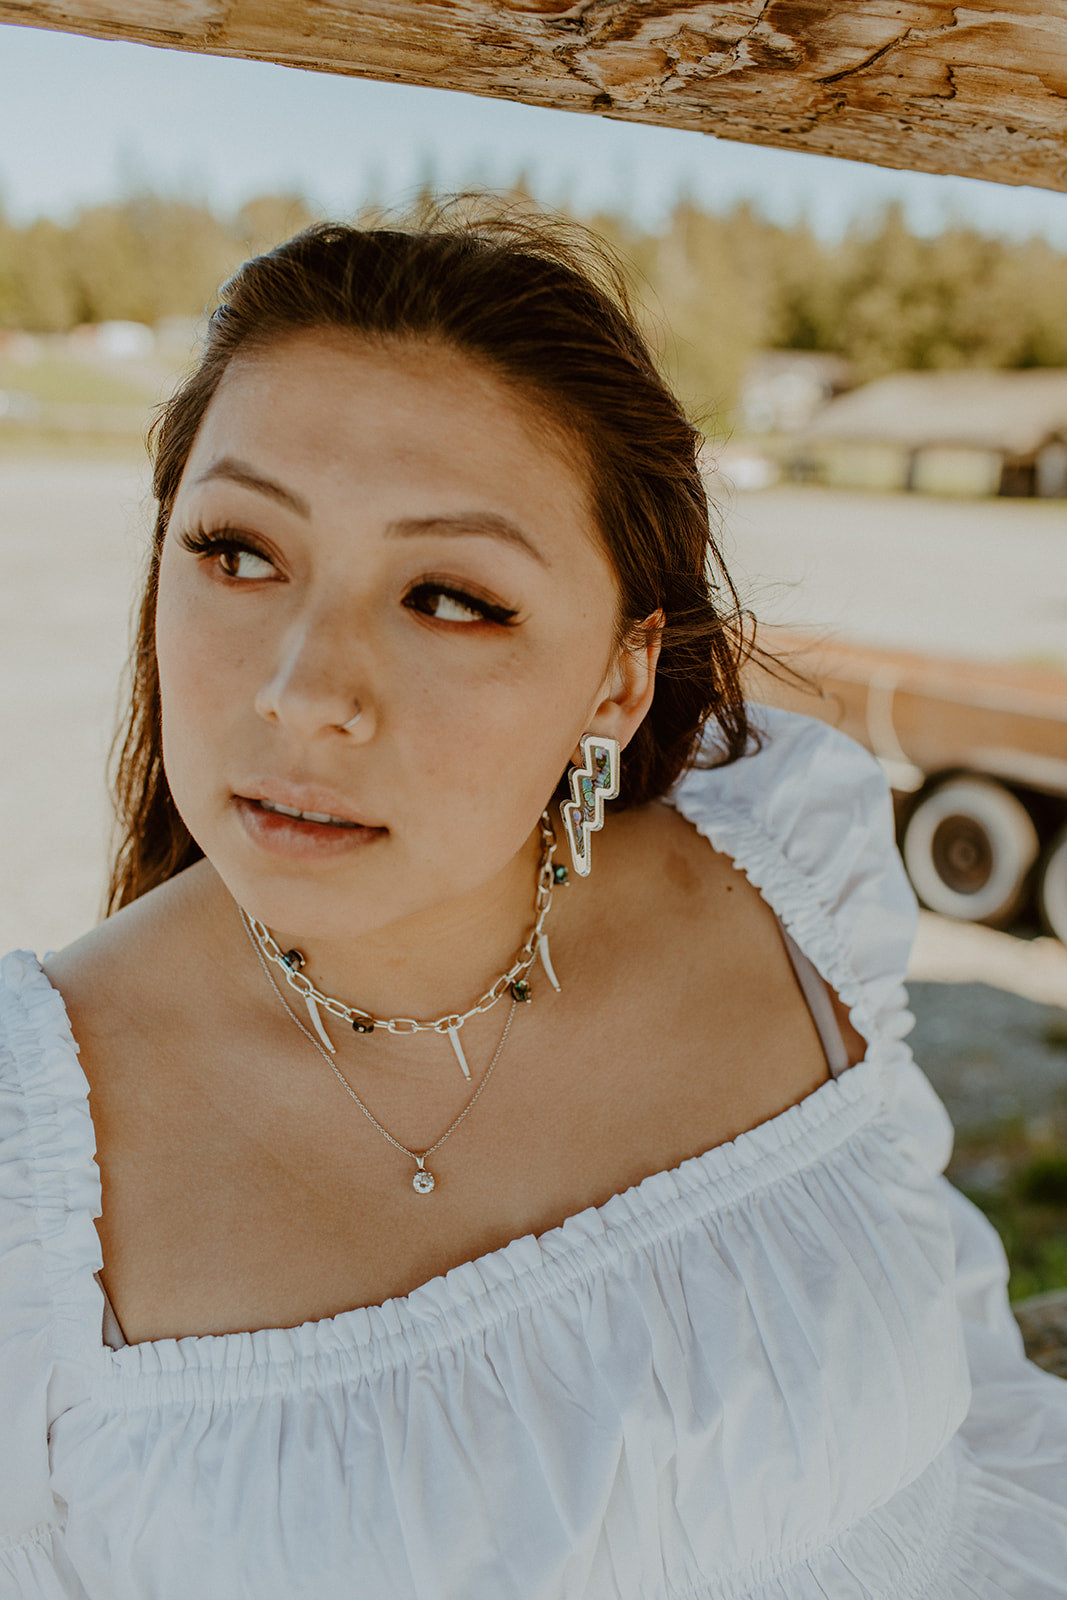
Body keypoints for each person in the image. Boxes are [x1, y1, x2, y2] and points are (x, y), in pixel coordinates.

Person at [1, 207, 1065, 1600]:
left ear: (620, 681)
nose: (304, 692)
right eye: (239, 551)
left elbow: (983, 1401)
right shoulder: (34, 1159)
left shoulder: (791, 887)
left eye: (448, 595)